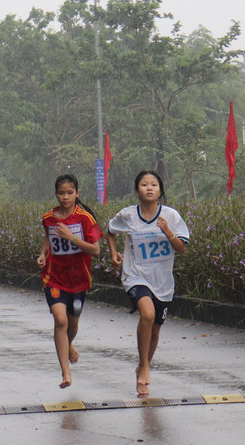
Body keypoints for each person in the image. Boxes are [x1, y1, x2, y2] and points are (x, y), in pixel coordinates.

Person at [106, 170, 189, 397]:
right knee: (147, 314)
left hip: (162, 282)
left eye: (154, 184)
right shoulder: (128, 216)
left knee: (155, 331)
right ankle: (144, 366)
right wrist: (114, 254)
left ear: (160, 190)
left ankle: (143, 365)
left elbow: (181, 249)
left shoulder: (171, 216)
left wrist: (168, 232)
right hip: (135, 276)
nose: (149, 188)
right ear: (137, 190)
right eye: (144, 184)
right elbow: (110, 231)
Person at [37, 174, 103, 388]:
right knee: (60, 320)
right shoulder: (49, 217)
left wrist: (72, 238)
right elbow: (48, 236)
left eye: (70, 193)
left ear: (77, 193)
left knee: (72, 324)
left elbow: (95, 250)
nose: (65, 197)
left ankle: (69, 344)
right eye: (61, 193)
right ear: (56, 194)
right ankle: (66, 373)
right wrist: (43, 254)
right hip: (54, 277)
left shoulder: (85, 218)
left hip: (79, 280)